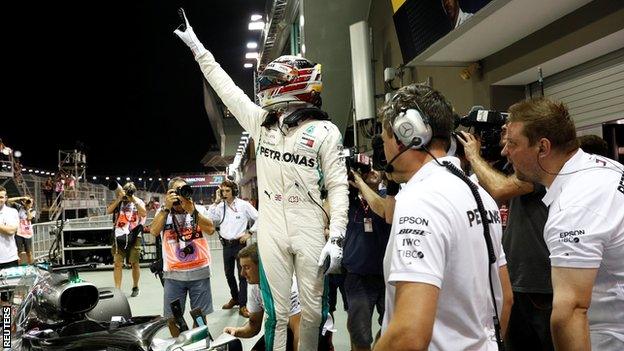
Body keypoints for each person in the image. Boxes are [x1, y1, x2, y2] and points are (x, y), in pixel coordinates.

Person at [175, 11, 348, 351]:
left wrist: (338, 235)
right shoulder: (261, 123)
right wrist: (197, 47)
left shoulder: (324, 131)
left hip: (309, 224)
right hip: (270, 226)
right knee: (278, 312)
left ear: (295, 83)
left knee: (313, 311)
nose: (265, 88)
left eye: (272, 81)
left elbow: (339, 185)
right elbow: (225, 88)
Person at [372, 84, 512, 350]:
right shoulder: (479, 195)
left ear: (407, 134)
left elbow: (409, 334)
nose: (385, 149)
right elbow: (505, 298)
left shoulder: (420, 201)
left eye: (385, 136)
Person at [502, 98, 624, 350]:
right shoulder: (606, 168)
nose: (505, 151)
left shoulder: (574, 208)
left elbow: (571, 311)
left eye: (512, 143)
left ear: (542, 147)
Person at [457, 129, 553, 350]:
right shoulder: (506, 170)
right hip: (514, 281)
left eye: (510, 142)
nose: (504, 149)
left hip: (540, 285)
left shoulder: (538, 171)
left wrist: (473, 156)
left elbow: (499, 189)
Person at [149, 177, 216, 318]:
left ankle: (198, 340)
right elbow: (154, 231)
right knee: (172, 318)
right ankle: (178, 340)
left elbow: (210, 229)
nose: (180, 195)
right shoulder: (163, 213)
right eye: (177, 190)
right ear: (170, 193)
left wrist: (192, 211)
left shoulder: (199, 209)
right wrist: (166, 207)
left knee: (200, 317)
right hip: (173, 274)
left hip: (200, 271)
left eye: (183, 190)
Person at [343, 169, 391, 351]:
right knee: (360, 336)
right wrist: (344, 183)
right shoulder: (349, 201)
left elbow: (385, 211)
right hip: (358, 277)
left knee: (392, 328)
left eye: (375, 167)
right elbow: (328, 209)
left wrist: (362, 184)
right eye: (365, 169)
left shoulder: (388, 196)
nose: (371, 171)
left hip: (388, 276)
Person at [223, 243, 301, 351]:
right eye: (241, 267)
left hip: (303, 331)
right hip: (280, 328)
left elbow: (299, 331)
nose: (242, 273)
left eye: (247, 267)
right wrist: (236, 331)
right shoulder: (255, 286)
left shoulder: (287, 287)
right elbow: (254, 326)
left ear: (262, 267)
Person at [208, 180, 258, 318]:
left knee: (243, 275)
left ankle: (243, 305)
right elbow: (210, 217)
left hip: (239, 245)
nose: (224, 194)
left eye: (227, 191)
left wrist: (250, 232)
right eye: (222, 191)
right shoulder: (220, 206)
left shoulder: (244, 205)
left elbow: (259, 218)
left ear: (234, 191)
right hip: (226, 245)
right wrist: (216, 202)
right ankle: (235, 298)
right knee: (228, 274)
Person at [106, 181, 147, 297]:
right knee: (117, 263)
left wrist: (133, 200)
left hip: (134, 235)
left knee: (134, 263)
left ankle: (135, 286)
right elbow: (108, 211)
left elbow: (143, 214)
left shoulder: (138, 201)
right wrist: (119, 200)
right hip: (119, 235)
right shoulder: (120, 201)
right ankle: (118, 289)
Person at [7, 196, 36, 265]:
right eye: (28, 201)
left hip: (27, 234)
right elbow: (8, 200)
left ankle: (31, 265)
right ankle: (18, 265)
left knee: (29, 251)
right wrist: (21, 198)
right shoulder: (19, 207)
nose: (29, 203)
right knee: (18, 251)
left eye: (31, 202)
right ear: (23, 202)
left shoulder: (33, 210)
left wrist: (27, 208)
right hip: (18, 233)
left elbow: (29, 218)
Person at [0, 186, 19, 271]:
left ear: (6, 198)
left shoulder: (12, 212)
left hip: (9, 258)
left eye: (1, 197)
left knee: (12, 284)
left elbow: (11, 231)